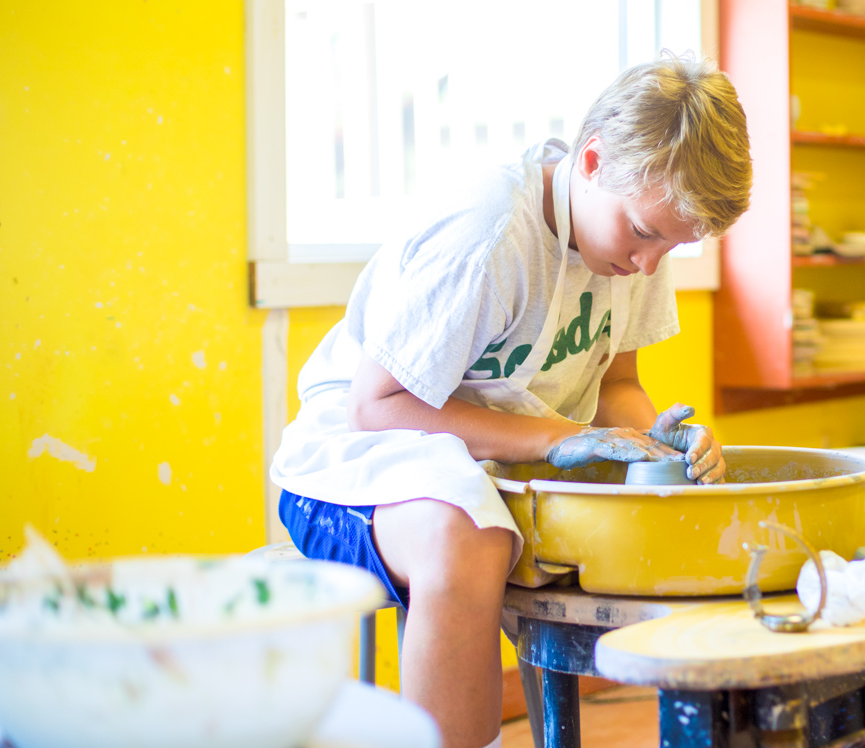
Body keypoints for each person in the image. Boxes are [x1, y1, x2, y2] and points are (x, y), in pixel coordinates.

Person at [270, 54, 751, 748]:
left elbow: (617, 387)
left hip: (486, 464)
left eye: (673, 244)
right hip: (351, 465)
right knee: (467, 535)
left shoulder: (638, 229)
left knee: (660, 508)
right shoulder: (491, 232)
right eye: (647, 234)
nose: (650, 263)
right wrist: (555, 439)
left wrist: (668, 441)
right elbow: (375, 407)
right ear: (592, 160)